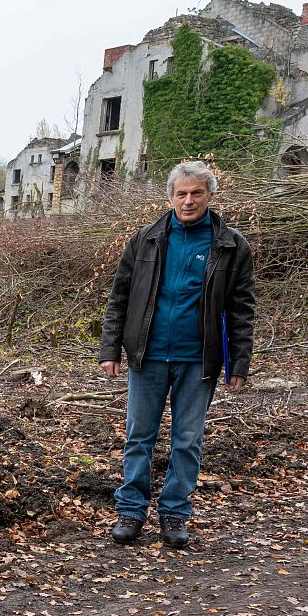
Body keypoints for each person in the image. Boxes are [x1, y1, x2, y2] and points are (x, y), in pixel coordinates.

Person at [99, 160, 255, 549]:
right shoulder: (144, 239)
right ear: (169, 196)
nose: (188, 201)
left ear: (210, 196)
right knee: (139, 436)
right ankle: (131, 510)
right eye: (181, 193)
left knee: (188, 440)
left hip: (198, 360)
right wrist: (110, 348)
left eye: (196, 193)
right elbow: (119, 298)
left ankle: (174, 513)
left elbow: (242, 309)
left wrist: (238, 362)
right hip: (146, 355)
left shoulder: (232, 245)